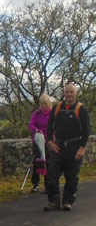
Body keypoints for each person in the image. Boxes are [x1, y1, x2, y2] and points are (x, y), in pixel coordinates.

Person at [44, 83, 91, 211]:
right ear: (64, 93)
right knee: (52, 175)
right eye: (67, 92)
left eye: (72, 92)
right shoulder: (57, 108)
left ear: (76, 93)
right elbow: (49, 127)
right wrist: (49, 142)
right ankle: (53, 202)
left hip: (74, 147)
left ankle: (67, 201)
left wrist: (82, 148)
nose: (69, 94)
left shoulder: (81, 109)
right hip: (58, 147)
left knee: (71, 177)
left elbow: (86, 131)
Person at [28, 93, 53, 193]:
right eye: (42, 104)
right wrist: (36, 130)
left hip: (48, 141)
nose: (43, 106)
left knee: (48, 162)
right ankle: (36, 184)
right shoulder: (37, 113)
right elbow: (31, 124)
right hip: (38, 141)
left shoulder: (52, 113)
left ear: (48, 104)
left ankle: (48, 185)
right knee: (37, 162)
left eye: (45, 104)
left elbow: (54, 125)